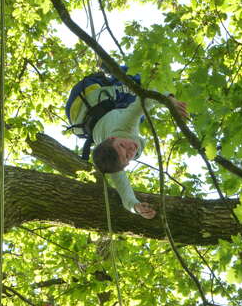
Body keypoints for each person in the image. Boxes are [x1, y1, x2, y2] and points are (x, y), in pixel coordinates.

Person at [66, 69, 188, 219]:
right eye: (127, 157)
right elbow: (126, 195)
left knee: (138, 83)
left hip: (91, 93)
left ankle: (118, 68)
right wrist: (136, 207)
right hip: (83, 117)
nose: (130, 150)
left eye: (122, 146)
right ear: (125, 165)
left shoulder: (125, 124)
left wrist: (170, 101)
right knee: (139, 116)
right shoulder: (114, 163)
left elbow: (146, 99)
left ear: (111, 139)